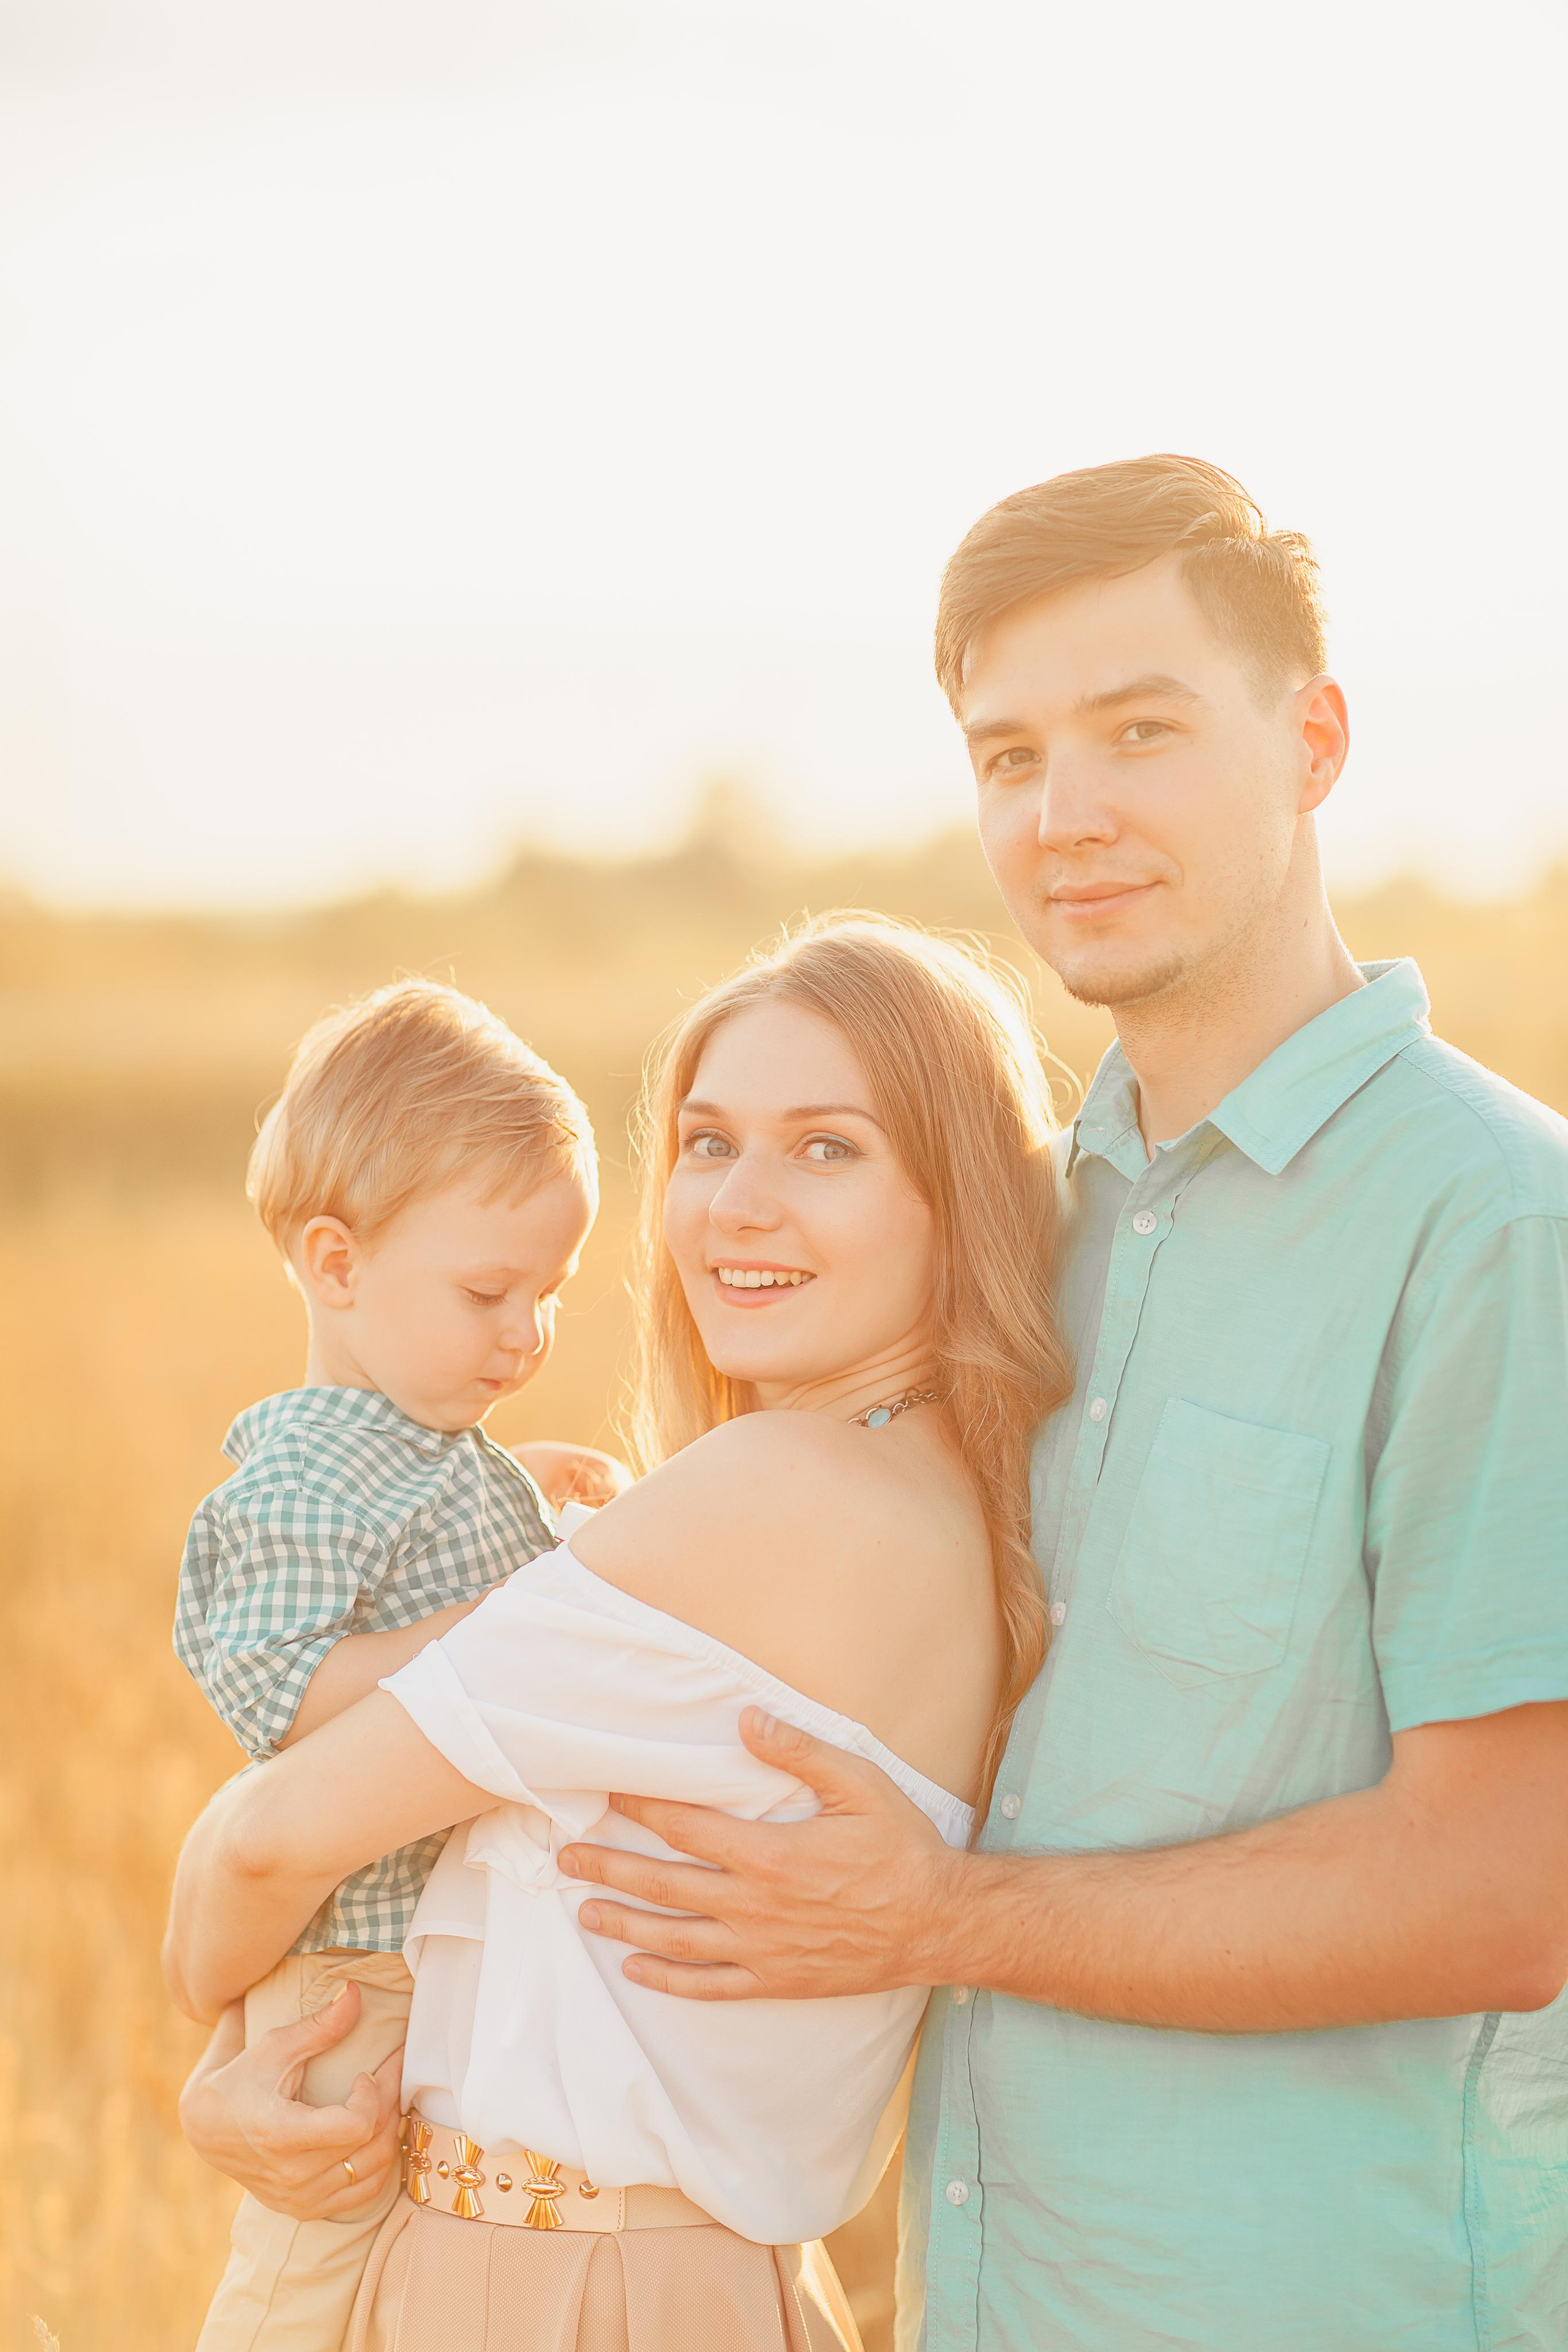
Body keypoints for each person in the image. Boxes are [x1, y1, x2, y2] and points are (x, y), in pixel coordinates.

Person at [548, 456, 1568, 2350]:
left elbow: (1506, 1887)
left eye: (1141, 733)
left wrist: (942, 1917)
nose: (1066, 814)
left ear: (1315, 738)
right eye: (1010, 757)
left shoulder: (1499, 1226)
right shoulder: (1017, 1221)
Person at [165, 917, 1072, 2351]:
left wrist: (210, 2028)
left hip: (550, 2285)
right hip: (707, 2285)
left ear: (953, 1200)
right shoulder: (943, 1500)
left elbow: (265, 1844)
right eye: (707, 1143)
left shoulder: (771, 1493)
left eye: (824, 1148)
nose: (735, 1207)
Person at [175, 977, 616, 2351]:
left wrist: (517, 1497)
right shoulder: (304, 1467)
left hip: (436, 1944)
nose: (528, 1331)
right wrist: (474, 1632)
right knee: (315, 2246)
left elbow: (439, 1549)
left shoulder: (426, 1446)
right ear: (337, 1264)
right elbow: (273, 1685)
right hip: (353, 1973)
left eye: (550, 1293)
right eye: (489, 1290)